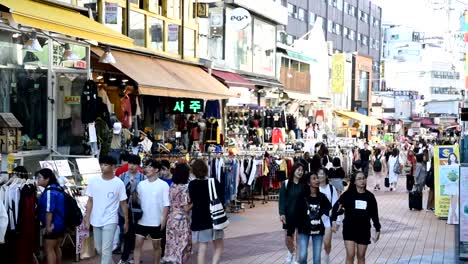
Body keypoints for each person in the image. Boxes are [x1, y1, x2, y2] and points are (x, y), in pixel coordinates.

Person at [85, 155, 129, 264]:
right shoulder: (93, 181)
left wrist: (126, 221)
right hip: (96, 219)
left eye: (105, 165)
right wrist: (87, 219)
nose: (102, 167)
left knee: (106, 250)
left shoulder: (118, 183)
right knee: (99, 249)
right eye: (101, 164)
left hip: (111, 219)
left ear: (113, 167)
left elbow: (123, 203)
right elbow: (90, 201)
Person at [331, 171, 381, 264]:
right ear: (354, 181)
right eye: (359, 179)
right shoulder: (348, 195)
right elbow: (336, 207)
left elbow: (374, 214)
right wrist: (333, 220)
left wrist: (377, 229)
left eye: (363, 178)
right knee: (350, 254)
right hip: (349, 228)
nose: (362, 181)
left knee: (361, 256)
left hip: (364, 229)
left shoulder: (370, 197)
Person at [133, 160, 170, 264]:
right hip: (142, 220)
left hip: (156, 221)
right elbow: (137, 202)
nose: (146, 169)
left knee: (156, 246)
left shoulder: (163, 185)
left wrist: (163, 219)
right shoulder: (141, 184)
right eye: (146, 167)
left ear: (156, 170)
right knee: (137, 244)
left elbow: (166, 204)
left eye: (150, 167)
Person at [189, 159, 225, 264]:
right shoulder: (214, 182)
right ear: (206, 169)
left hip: (199, 219)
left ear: (193, 171)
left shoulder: (192, 184)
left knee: (202, 247)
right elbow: (221, 199)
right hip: (215, 218)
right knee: (219, 246)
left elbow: (193, 201)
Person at [294, 173, 331, 264]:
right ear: (308, 183)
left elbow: (329, 210)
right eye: (314, 179)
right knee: (302, 256)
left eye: (317, 178)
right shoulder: (302, 196)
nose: (317, 180)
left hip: (318, 230)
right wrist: (295, 229)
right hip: (303, 229)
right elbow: (297, 213)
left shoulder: (322, 197)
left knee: (317, 259)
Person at [117, 155, 146, 264]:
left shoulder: (143, 178)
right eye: (130, 163)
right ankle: (131, 257)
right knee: (126, 234)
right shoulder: (121, 176)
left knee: (132, 235)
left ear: (138, 165)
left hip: (137, 212)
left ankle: (126, 258)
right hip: (123, 211)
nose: (131, 166)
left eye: (134, 164)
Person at [162, 163, 192, 264]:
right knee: (183, 245)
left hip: (171, 219)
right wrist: (195, 202)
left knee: (171, 244)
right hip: (181, 220)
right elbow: (186, 207)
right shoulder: (184, 188)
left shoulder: (172, 186)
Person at [279, 163, 307, 264]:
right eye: (298, 170)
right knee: (288, 239)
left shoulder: (304, 185)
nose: (300, 172)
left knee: (298, 239)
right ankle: (291, 252)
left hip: (300, 216)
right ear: (294, 170)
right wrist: (282, 213)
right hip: (288, 216)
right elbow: (281, 200)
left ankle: (295, 259)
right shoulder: (285, 184)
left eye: (302, 170)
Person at [37, 168, 65, 264]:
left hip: (53, 224)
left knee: (49, 249)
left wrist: (48, 226)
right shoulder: (58, 188)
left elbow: (49, 210)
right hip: (61, 223)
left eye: (40, 177)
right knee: (56, 247)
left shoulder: (50, 191)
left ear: (47, 179)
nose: (38, 179)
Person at [317, 168, 338, 264]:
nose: (320, 176)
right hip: (316, 219)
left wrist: (336, 221)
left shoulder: (331, 188)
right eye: (319, 174)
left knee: (327, 243)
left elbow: (335, 205)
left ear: (326, 176)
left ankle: (327, 256)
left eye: (322, 174)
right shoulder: (314, 188)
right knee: (317, 243)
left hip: (327, 220)